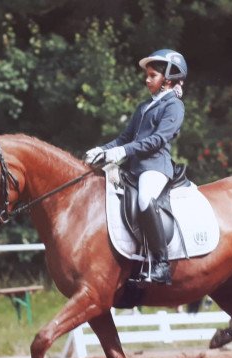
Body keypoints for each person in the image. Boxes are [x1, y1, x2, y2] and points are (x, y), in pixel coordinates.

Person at [84, 49, 187, 285]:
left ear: (168, 79)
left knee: (145, 200)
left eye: (152, 75)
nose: (147, 79)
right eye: (148, 75)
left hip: (155, 166)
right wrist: (102, 150)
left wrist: (123, 151)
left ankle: (161, 264)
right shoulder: (144, 107)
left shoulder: (174, 106)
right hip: (134, 168)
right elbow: (124, 138)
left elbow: (158, 140)